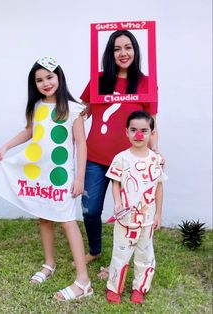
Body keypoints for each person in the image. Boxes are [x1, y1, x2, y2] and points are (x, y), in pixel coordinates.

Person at [0, 57, 93, 300]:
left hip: (61, 177)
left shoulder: (73, 108)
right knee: (44, 218)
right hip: (40, 174)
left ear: (59, 77)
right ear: (34, 84)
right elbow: (30, 131)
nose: (45, 83)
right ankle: (49, 263)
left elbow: (81, 143)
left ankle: (83, 280)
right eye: (39, 80)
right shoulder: (37, 106)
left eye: (49, 76)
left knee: (68, 222)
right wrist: (6, 146)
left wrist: (79, 178)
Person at [80, 30, 159, 270]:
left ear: (135, 51)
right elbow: (81, 113)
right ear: (109, 53)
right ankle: (95, 249)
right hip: (95, 158)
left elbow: (152, 123)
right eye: (117, 48)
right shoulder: (99, 80)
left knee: (129, 212)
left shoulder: (146, 82)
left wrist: (155, 155)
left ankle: (124, 256)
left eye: (128, 47)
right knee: (90, 210)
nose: (123, 53)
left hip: (130, 162)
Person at [105, 110, 167, 304]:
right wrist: (117, 202)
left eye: (144, 130)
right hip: (126, 219)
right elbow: (115, 182)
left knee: (145, 255)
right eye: (133, 130)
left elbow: (158, 187)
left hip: (147, 219)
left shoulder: (156, 160)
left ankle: (139, 288)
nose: (138, 135)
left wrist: (158, 213)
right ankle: (114, 288)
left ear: (151, 133)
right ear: (127, 132)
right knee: (121, 254)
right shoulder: (121, 158)